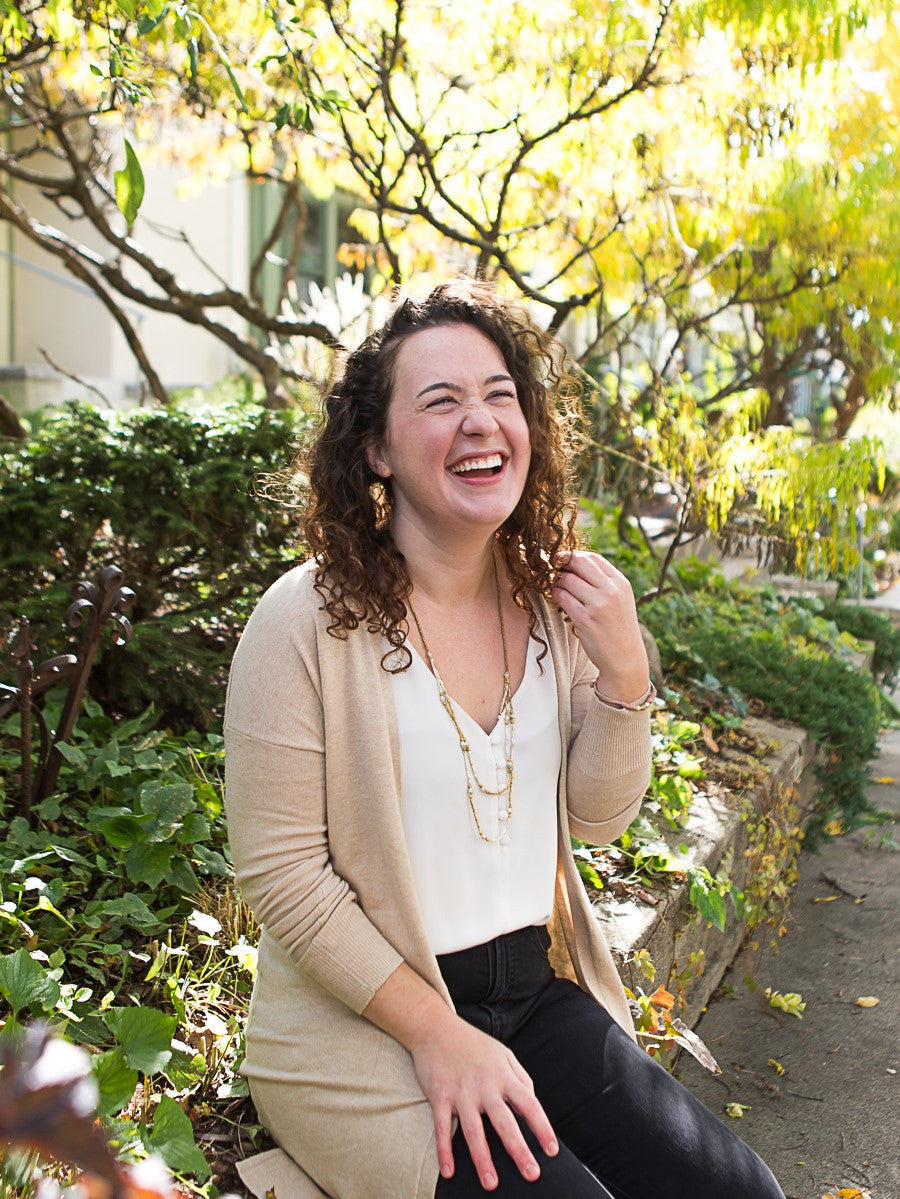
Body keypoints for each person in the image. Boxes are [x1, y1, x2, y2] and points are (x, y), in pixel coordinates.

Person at [224, 278, 785, 1199]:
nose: (482, 422)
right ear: (375, 448)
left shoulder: (550, 602)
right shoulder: (305, 619)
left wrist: (624, 676)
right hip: (363, 1026)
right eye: (440, 401)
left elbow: (600, 820)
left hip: (529, 998)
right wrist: (439, 1036)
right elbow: (282, 876)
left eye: (499, 395)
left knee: (741, 1192)